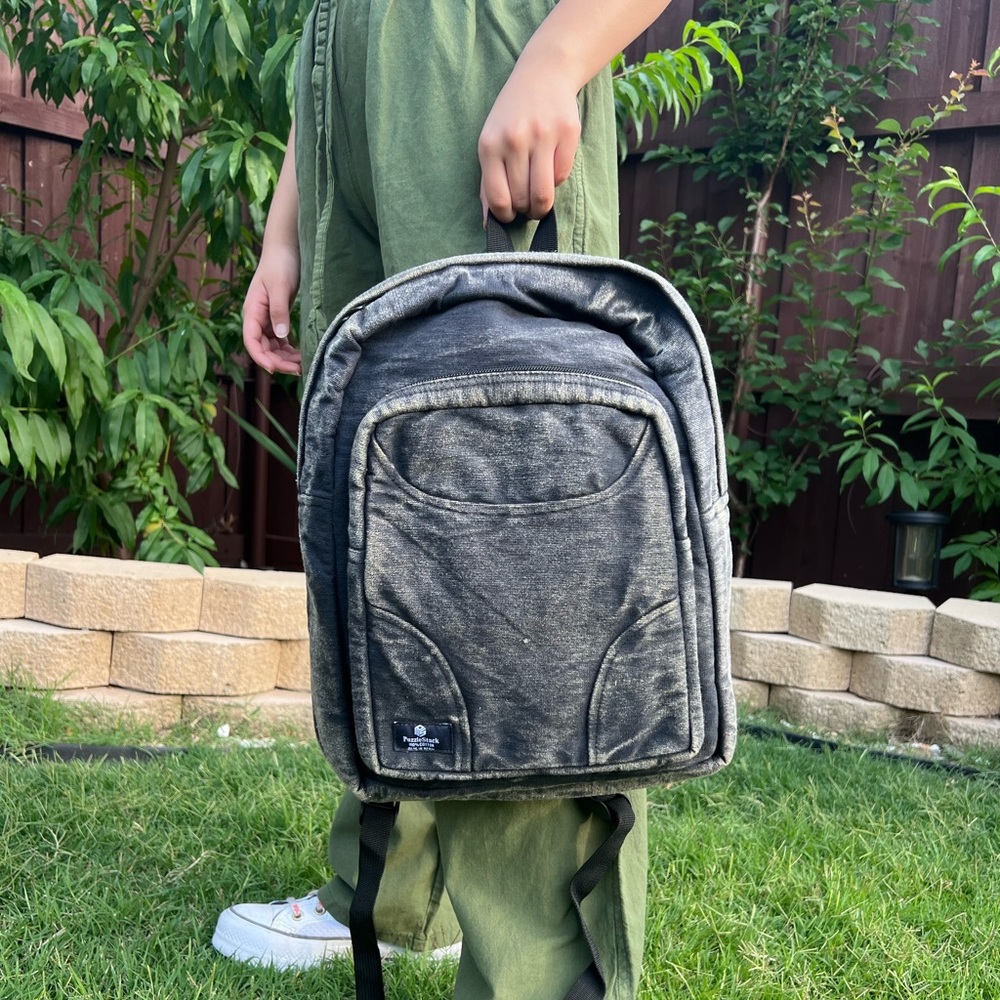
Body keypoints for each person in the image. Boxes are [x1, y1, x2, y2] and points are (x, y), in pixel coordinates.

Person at [212, 2, 673, 997]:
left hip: (489, 55)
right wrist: (290, 222)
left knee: (514, 569)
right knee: (390, 540)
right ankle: (390, 896)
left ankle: (539, 979)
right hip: (355, 90)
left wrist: (559, 52)